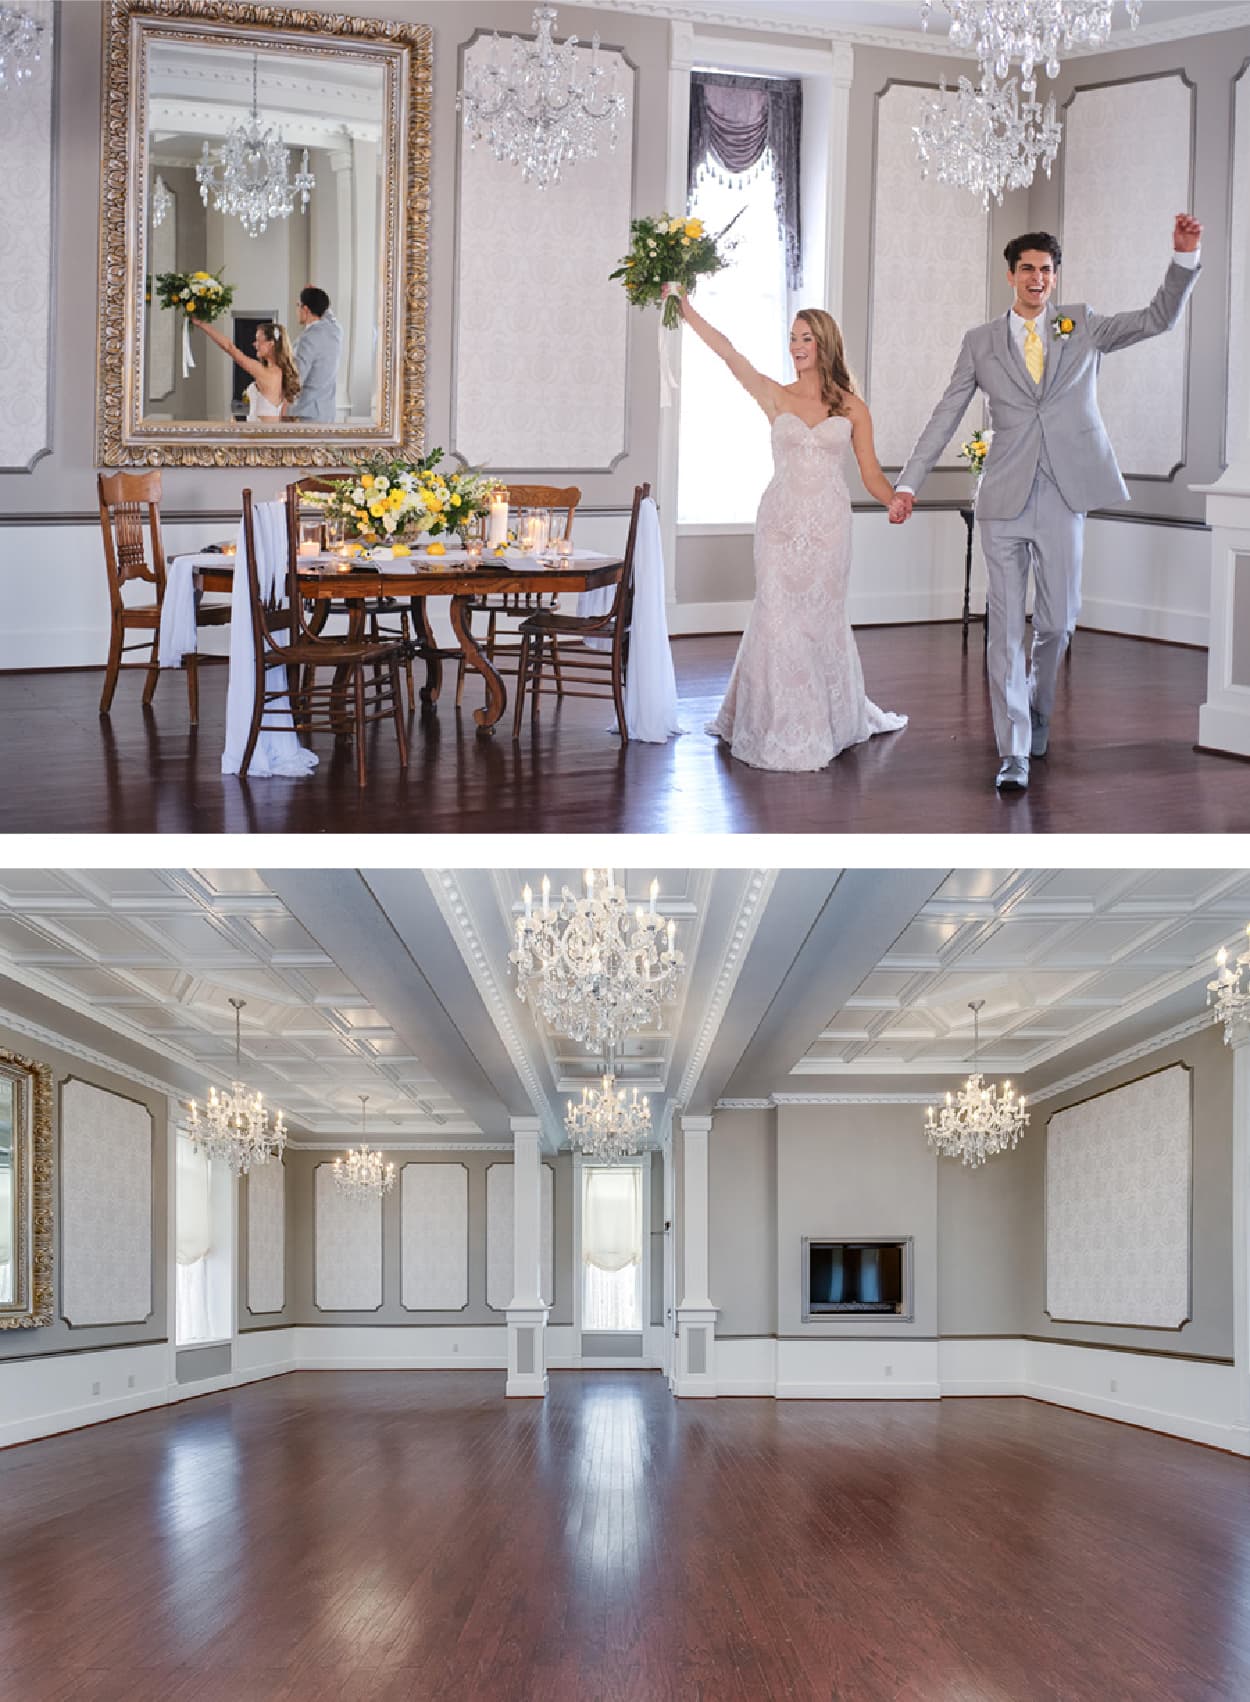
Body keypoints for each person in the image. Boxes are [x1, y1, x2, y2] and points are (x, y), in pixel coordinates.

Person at [890, 214, 1202, 793]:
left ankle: (1037, 709)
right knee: (1004, 628)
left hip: (1064, 493)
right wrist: (909, 482)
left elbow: (1157, 319)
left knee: (1056, 623)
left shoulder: (1080, 325)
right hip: (1004, 497)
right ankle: (1013, 752)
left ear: (1055, 279)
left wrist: (1183, 260)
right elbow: (946, 412)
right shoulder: (980, 342)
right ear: (1011, 276)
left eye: (1047, 271)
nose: (1038, 279)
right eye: (1028, 269)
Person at [670, 285, 907, 772]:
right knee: (776, 620)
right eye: (792, 337)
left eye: (806, 338)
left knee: (817, 623)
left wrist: (896, 499)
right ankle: (781, 726)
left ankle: (825, 720)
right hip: (778, 525)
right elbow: (729, 354)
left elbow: (870, 473)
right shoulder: (775, 395)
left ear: (825, 343)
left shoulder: (852, 408)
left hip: (828, 530)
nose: (797, 346)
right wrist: (686, 309)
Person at [190, 317, 301, 419]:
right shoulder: (283, 373)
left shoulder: (264, 372)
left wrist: (201, 324)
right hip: (266, 435)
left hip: (261, 437)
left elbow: (229, 347)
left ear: (271, 344)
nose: (254, 344)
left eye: (258, 340)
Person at [288, 286, 343, 423]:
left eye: (298, 305)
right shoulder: (335, 330)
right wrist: (318, 298)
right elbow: (329, 315)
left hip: (308, 414)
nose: (296, 310)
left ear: (305, 309)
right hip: (327, 412)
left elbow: (297, 378)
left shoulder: (308, 338)